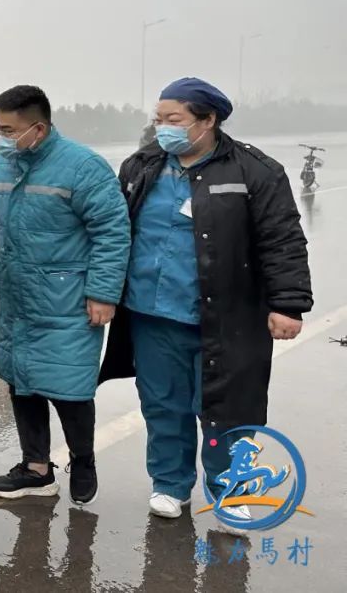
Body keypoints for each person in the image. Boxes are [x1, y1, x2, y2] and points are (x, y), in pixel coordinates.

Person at [100, 77, 312, 525]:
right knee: (162, 404)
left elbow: (282, 239)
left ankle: (229, 491)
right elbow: (115, 233)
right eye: (158, 119)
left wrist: (288, 303)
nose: (162, 127)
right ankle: (169, 485)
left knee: (226, 408)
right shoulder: (141, 167)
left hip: (226, 315)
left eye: (173, 119)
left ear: (208, 120)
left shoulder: (255, 171)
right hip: (152, 313)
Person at [0, 85, 130, 505]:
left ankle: (82, 460)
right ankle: (36, 469)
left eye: (8, 130)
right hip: (17, 294)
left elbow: (112, 232)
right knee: (21, 381)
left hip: (66, 297)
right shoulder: (1, 166)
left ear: (39, 128)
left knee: (70, 386)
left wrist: (103, 292)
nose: (1, 137)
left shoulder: (83, 166)